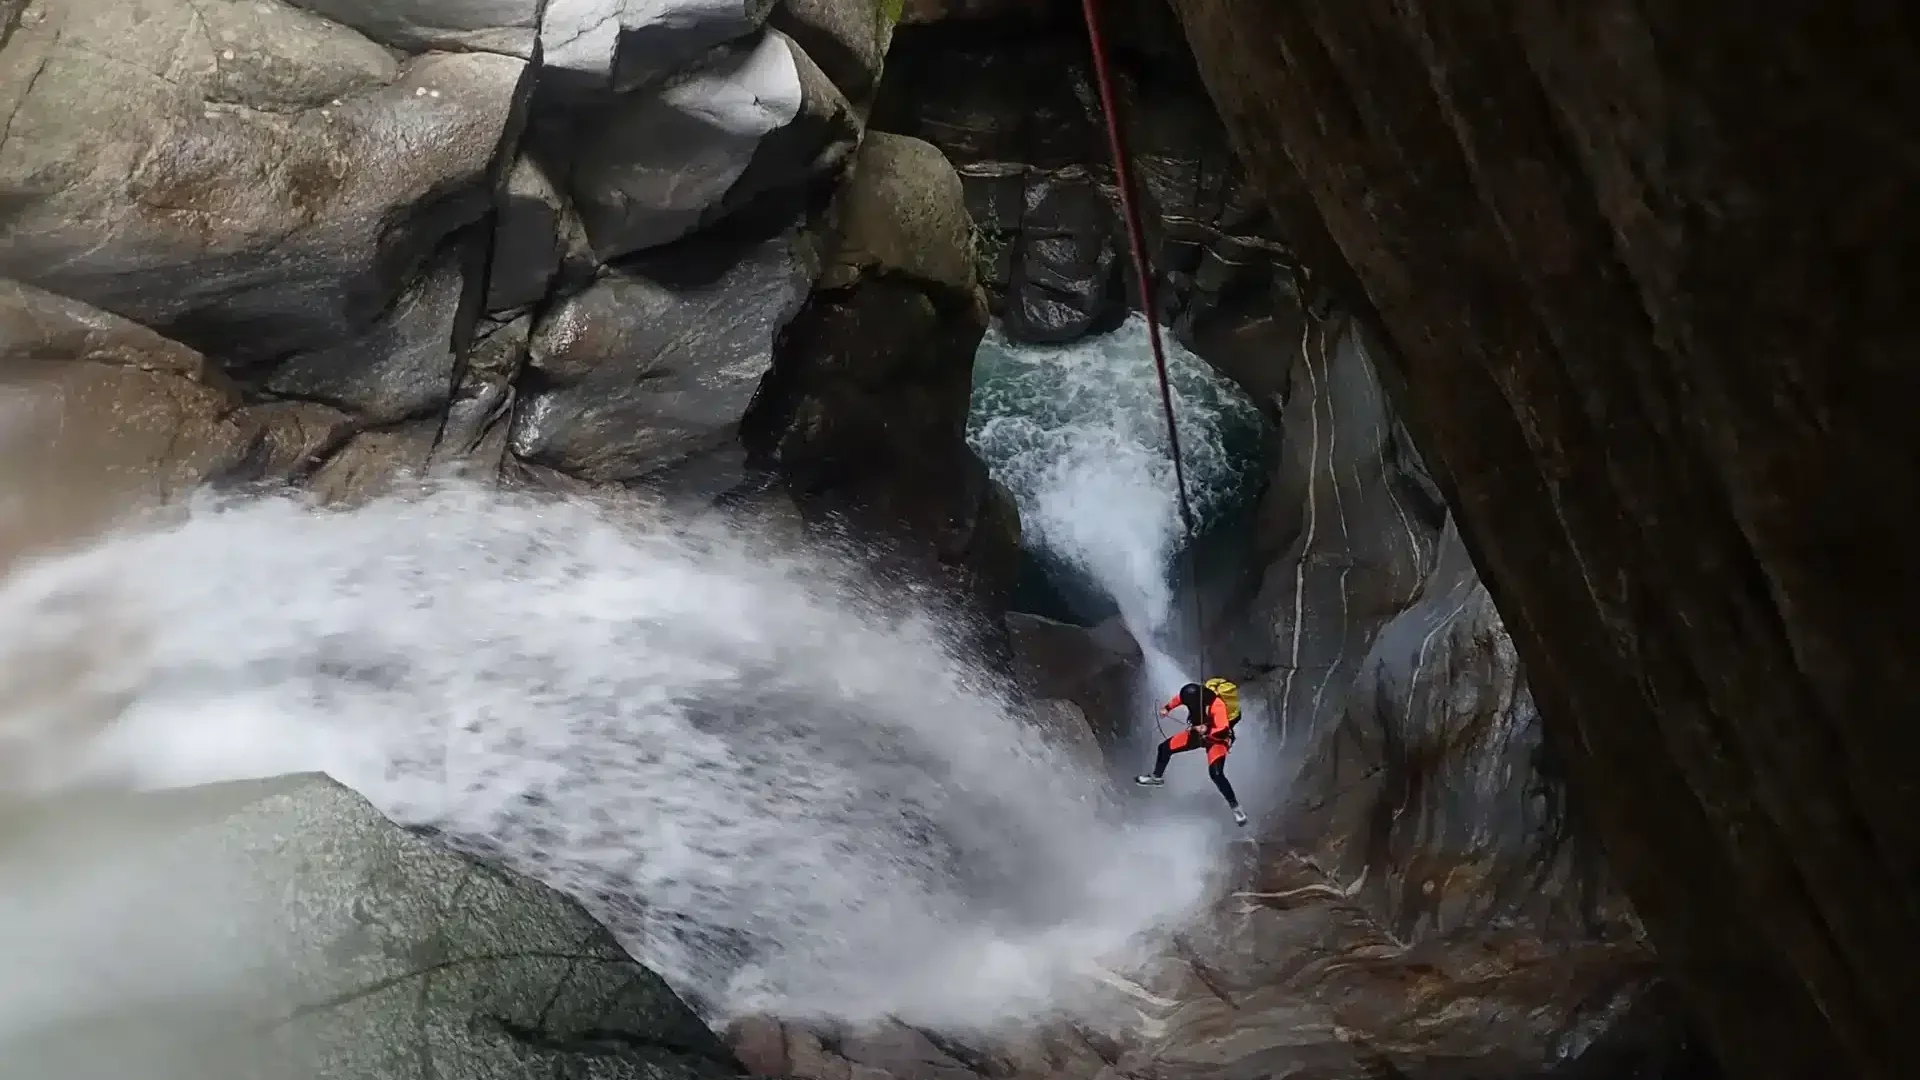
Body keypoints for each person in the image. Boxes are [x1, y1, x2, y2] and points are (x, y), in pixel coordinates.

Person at [1135, 680, 1247, 826]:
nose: (1186, 705)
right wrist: (1167, 708)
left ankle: (1236, 808)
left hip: (1216, 740)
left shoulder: (1216, 704)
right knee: (1164, 748)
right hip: (1196, 735)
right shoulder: (1189, 697)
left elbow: (1223, 728)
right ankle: (1156, 777)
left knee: (1216, 774)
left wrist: (1207, 730)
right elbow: (1178, 699)